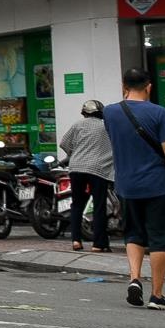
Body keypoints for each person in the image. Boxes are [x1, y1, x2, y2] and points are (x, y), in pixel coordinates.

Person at [102, 69, 165, 308]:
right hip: (158, 185)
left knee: (133, 233)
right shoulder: (160, 113)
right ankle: (157, 294)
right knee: (160, 239)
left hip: (126, 185)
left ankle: (134, 279)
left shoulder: (109, 113)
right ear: (149, 87)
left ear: (124, 86)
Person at [59, 101, 115, 254]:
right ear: (100, 113)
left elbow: (64, 143)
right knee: (99, 206)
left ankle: (76, 240)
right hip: (98, 169)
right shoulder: (106, 127)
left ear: (84, 112)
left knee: (77, 204)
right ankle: (98, 243)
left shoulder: (77, 125)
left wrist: (74, 152)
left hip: (76, 167)